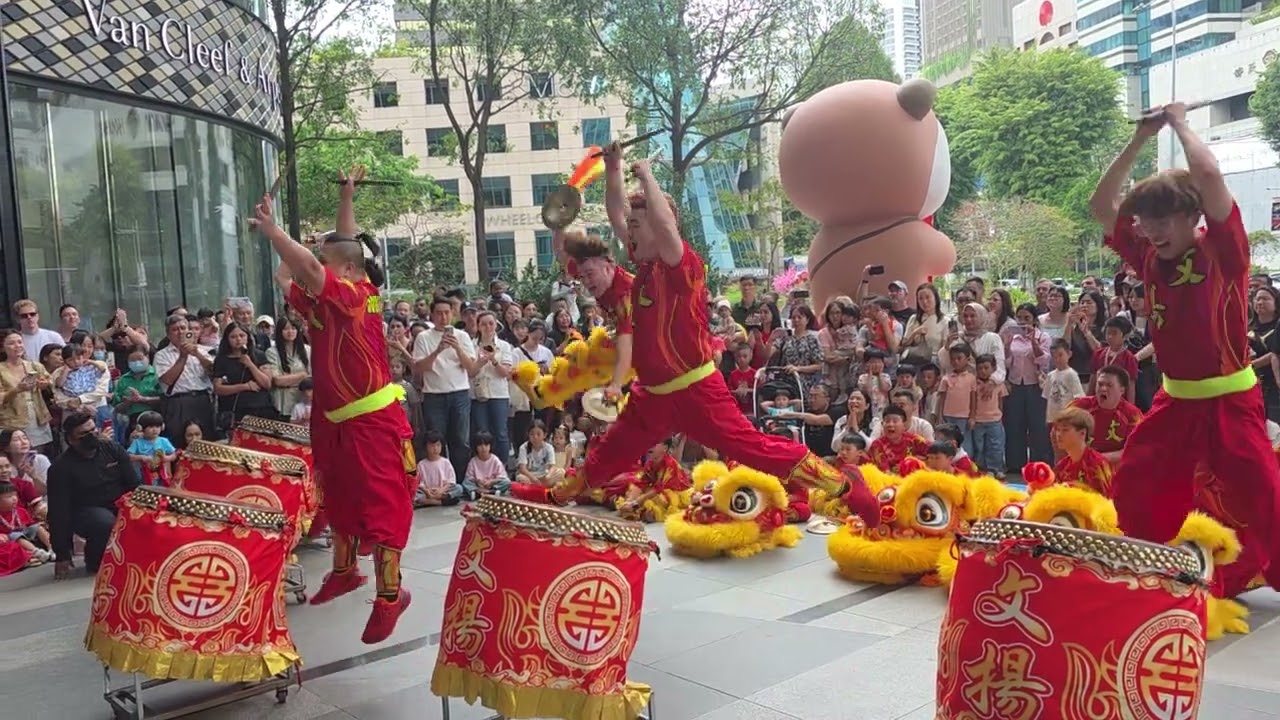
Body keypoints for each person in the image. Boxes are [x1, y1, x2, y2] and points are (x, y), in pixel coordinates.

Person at [515, 144, 875, 521]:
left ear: (660, 224)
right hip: (651, 397)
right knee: (610, 451)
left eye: (637, 226)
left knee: (754, 448)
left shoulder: (682, 266)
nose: (627, 232)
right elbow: (616, 212)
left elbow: (666, 227)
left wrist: (647, 175)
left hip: (696, 390)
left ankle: (843, 484)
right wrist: (614, 167)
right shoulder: (639, 272)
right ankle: (557, 495)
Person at [1090, 101, 1280, 589]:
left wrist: (1178, 122)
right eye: (1146, 222)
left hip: (1232, 401)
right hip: (1174, 403)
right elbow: (1100, 205)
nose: (1152, 231)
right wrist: (1139, 139)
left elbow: (1210, 172)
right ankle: (1143, 572)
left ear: (1194, 215)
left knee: (1264, 498)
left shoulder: (1225, 249)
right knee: (1135, 483)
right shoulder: (1147, 255)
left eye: (1164, 220)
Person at [250, 165, 415, 643]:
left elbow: (309, 265)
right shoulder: (328, 299)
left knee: (382, 510)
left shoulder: (355, 295)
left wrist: (273, 229)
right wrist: (345, 197)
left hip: (372, 419)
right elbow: (290, 274)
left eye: (326, 262)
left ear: (345, 271)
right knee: (337, 493)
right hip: (335, 418)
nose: (317, 268)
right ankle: (345, 571)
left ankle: (391, 597)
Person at [48, 411, 141, 579]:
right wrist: (62, 554)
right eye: (84, 434)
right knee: (103, 521)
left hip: (120, 503)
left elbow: (133, 485)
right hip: (85, 512)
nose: (91, 435)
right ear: (71, 439)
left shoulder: (113, 449)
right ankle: (95, 558)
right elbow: (58, 512)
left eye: (93, 430)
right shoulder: (60, 468)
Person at [1069, 366, 1142, 465]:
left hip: (1113, 471)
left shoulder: (1133, 415)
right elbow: (1058, 433)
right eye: (1100, 384)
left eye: (1109, 385)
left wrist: (1096, 459)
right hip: (1080, 465)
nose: (1103, 388)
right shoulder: (1079, 406)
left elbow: (1134, 451)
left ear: (1122, 390)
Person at [1049, 407, 1113, 495]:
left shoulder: (1097, 464)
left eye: (1065, 430)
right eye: (1058, 430)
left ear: (1082, 433)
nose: (1059, 435)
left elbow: (1109, 500)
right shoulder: (1062, 467)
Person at [126, 411, 177, 486]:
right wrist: (142, 457)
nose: (155, 429)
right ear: (140, 428)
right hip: (143, 475)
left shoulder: (164, 441)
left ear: (162, 427)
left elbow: (175, 454)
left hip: (161, 475)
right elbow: (128, 456)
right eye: (151, 427)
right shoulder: (137, 442)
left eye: (157, 427)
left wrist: (166, 458)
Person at [415, 430, 462, 506]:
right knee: (415, 493)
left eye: (438, 445)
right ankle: (439, 502)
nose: (435, 448)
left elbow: (451, 480)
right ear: (426, 446)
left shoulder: (445, 462)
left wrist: (441, 490)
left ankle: (434, 501)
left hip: (442, 491)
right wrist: (427, 491)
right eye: (432, 446)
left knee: (459, 488)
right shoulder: (421, 464)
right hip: (427, 492)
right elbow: (419, 482)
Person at [463, 432, 510, 499]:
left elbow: (502, 476)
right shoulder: (473, 461)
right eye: (480, 445)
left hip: (492, 485)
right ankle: (480, 492)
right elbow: (469, 477)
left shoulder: (495, 460)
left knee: (506, 482)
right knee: (465, 483)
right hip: (478, 485)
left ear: (490, 446)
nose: (483, 448)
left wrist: (491, 482)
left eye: (486, 445)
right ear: (476, 447)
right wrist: (478, 481)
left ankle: (490, 492)